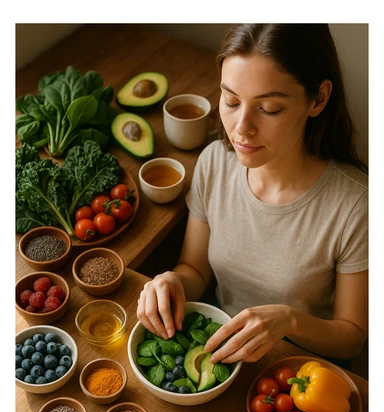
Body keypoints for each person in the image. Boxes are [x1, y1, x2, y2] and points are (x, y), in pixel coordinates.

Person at [137, 23, 368, 367]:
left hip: (296, 378)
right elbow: (195, 270)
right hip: (218, 357)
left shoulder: (356, 205)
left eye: (269, 108)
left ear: (317, 99)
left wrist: (289, 321)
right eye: (230, 101)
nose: (241, 127)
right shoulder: (215, 161)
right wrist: (171, 281)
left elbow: (351, 338)